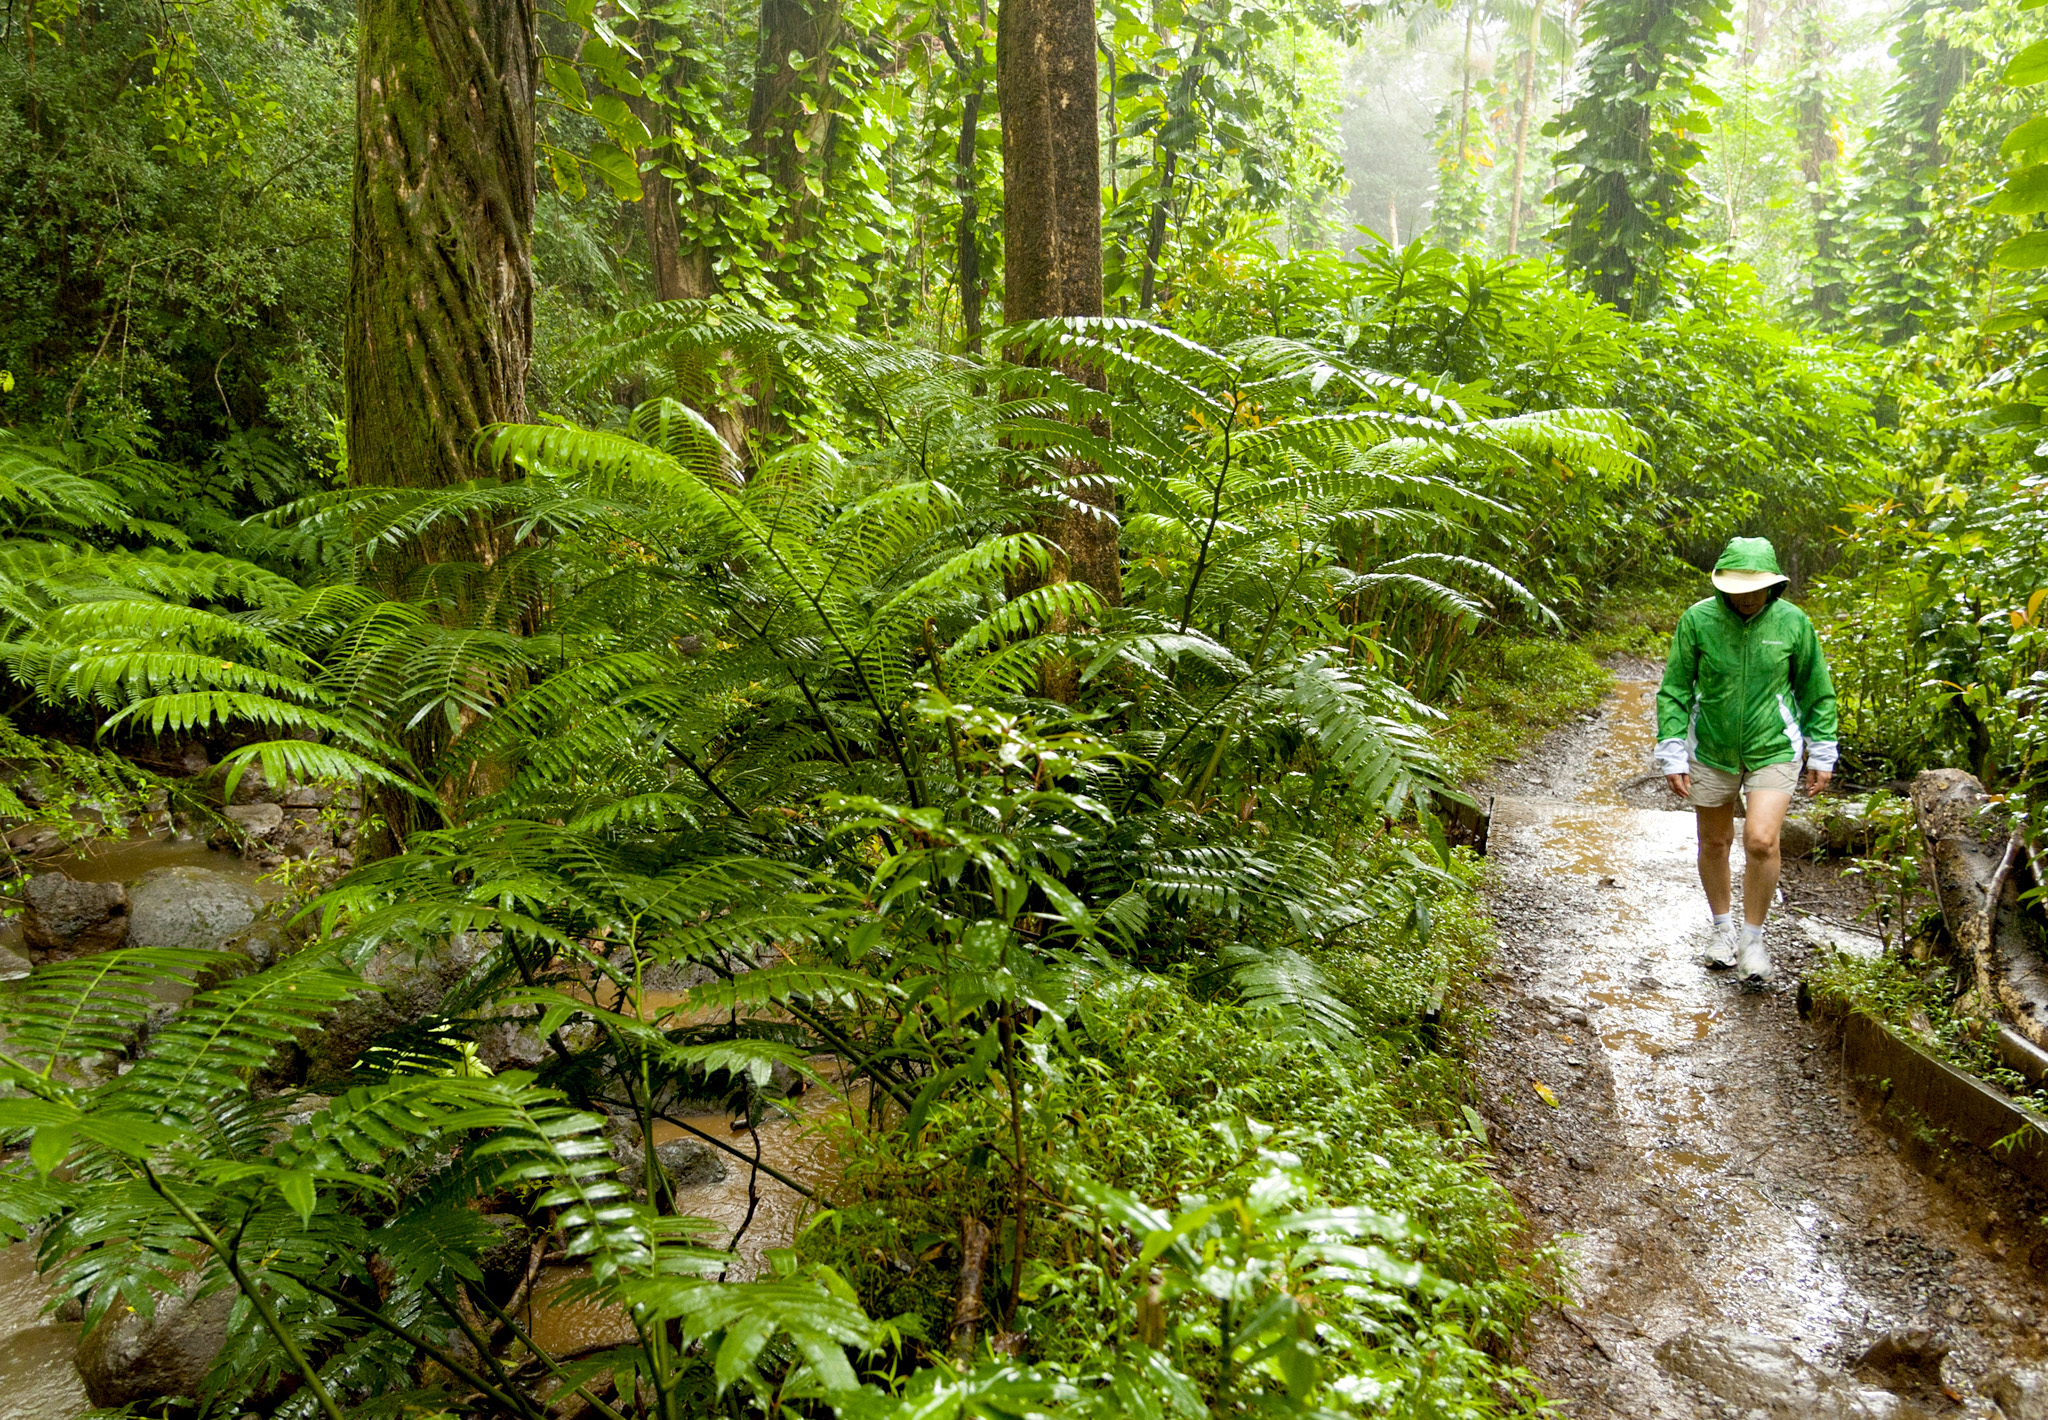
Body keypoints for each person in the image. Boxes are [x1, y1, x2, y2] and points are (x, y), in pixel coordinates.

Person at [1654, 536, 1838, 985]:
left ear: (1774, 585)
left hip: (1773, 745)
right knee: (1714, 841)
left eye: (1757, 587)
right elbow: (1675, 688)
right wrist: (1672, 749)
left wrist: (1823, 750)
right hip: (1711, 747)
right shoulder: (1698, 620)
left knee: (1760, 840)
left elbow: (1816, 690)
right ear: (1723, 585)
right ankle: (1721, 929)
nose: (1748, 596)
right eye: (1738, 587)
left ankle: (1753, 939)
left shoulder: (1793, 623)